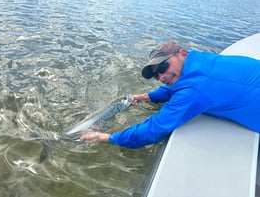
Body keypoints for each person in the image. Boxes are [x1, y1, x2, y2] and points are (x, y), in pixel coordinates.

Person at [80, 41, 260, 148]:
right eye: (157, 74)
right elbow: (180, 85)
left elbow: (155, 128)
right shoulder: (201, 60)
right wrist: (145, 97)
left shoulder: (195, 88)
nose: (162, 76)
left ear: (182, 52)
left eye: (164, 67)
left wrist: (105, 137)